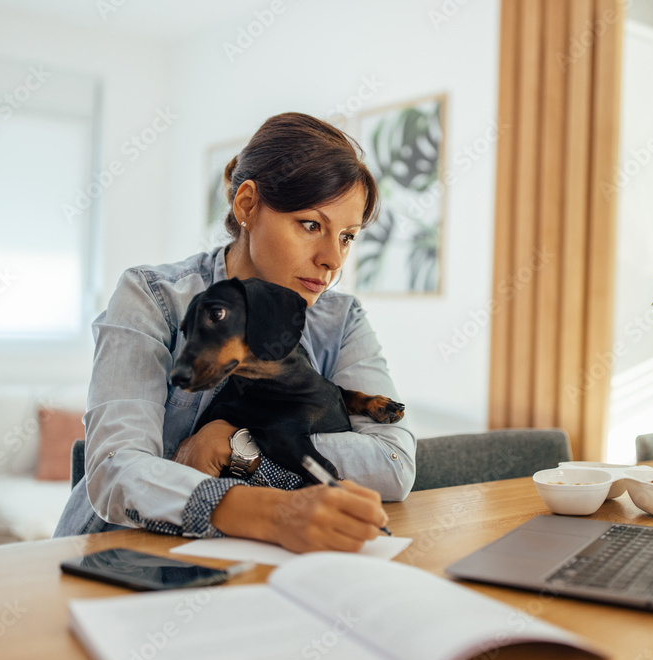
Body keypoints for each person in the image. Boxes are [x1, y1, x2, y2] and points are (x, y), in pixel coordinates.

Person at [54, 112, 415, 553]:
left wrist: (238, 445)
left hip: (266, 561)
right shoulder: (153, 297)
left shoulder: (340, 318)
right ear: (247, 204)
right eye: (310, 225)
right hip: (121, 556)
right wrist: (275, 512)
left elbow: (393, 464)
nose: (332, 260)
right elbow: (117, 471)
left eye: (346, 237)